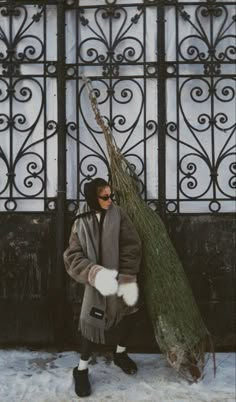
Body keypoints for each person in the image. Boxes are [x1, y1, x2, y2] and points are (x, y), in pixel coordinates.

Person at [63, 177, 142, 397]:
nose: (110, 200)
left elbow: (131, 244)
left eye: (111, 195)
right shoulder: (80, 220)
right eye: (105, 197)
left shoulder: (119, 214)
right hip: (96, 282)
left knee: (129, 313)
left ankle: (120, 353)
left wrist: (126, 272)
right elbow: (72, 255)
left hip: (123, 276)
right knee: (92, 321)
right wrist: (94, 273)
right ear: (93, 198)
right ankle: (81, 369)